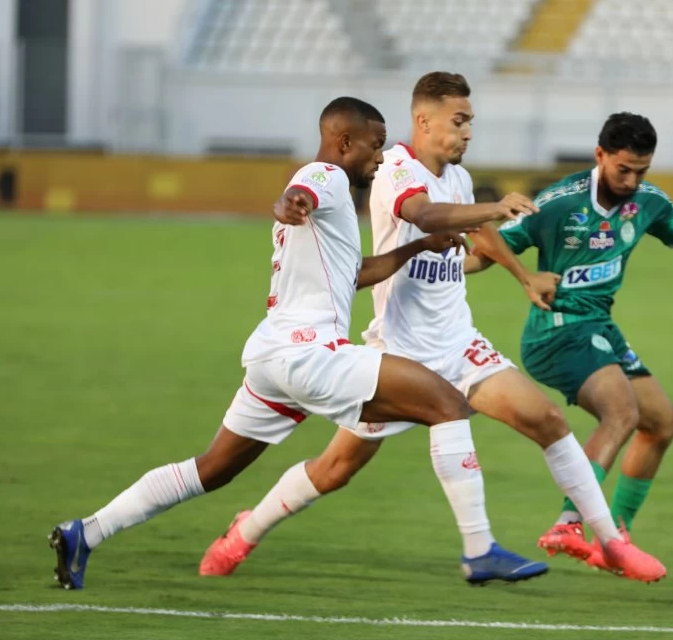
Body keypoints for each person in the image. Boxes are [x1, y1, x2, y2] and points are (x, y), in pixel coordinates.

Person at [198, 73, 668, 585]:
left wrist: (524, 275)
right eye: (459, 121)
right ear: (424, 121)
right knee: (335, 470)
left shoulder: (460, 179)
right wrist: (496, 206)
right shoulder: (396, 168)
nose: (468, 132)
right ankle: (245, 532)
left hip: (459, 343)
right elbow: (426, 215)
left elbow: (483, 236)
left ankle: (611, 543)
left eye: (471, 122)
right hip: (400, 353)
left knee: (548, 420)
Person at [47, 96, 532, 590]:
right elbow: (301, 191)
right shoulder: (328, 177)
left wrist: (414, 247)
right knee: (448, 404)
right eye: (375, 146)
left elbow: (357, 273)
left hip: (272, 357)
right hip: (310, 354)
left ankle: (85, 532)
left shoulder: (337, 198)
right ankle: (480, 550)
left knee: (212, 469)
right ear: (345, 141)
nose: (381, 158)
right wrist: (291, 201)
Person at [480, 111, 673, 570]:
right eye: (623, 169)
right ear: (600, 155)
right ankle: (569, 522)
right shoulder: (559, 203)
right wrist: (482, 269)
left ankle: (614, 534)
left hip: (600, 328)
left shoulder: (649, 202)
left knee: (661, 423)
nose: (631, 180)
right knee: (622, 411)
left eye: (641, 171)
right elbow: (488, 246)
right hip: (555, 331)